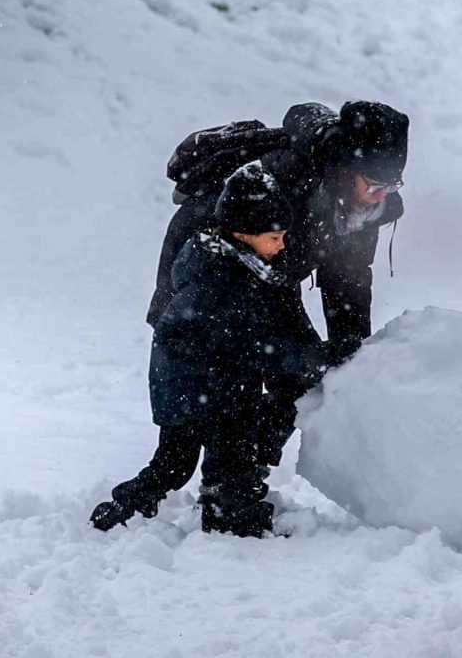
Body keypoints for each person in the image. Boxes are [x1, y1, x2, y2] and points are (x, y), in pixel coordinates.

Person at [93, 100, 410, 533]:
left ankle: (239, 480)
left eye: (391, 186)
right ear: (345, 169)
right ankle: (228, 494)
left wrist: (351, 353)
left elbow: (350, 280)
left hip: (265, 279)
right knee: (231, 395)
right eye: (374, 184)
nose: (382, 196)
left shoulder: (364, 206)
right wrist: (311, 357)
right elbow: (239, 332)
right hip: (209, 283)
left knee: (295, 378)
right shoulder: (281, 184)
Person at [98, 178, 332, 537]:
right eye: (274, 238)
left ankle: (227, 498)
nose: (281, 245)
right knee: (178, 463)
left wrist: (314, 357)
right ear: (242, 234)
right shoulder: (219, 278)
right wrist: (318, 357)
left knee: (207, 458)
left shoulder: (252, 265)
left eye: (284, 235)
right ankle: (193, 511)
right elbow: (257, 347)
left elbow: (274, 334)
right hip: (192, 385)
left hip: (222, 380)